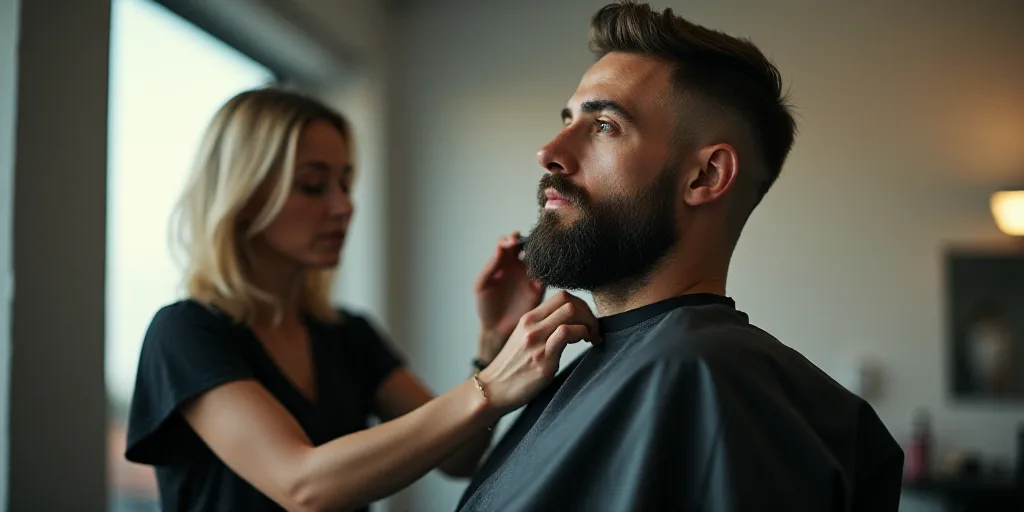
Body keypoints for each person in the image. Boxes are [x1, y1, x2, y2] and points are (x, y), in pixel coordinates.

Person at [457, 2, 904, 511]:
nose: (550, 151)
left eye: (604, 125)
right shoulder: (607, 364)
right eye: (567, 119)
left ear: (706, 177)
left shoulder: (704, 380)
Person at [123, 88, 602, 512]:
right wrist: (495, 384)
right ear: (243, 196)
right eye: (313, 185)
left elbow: (457, 457)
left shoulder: (347, 334)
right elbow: (302, 487)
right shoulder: (185, 333)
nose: (343, 206)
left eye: (345, 183)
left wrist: (493, 342)